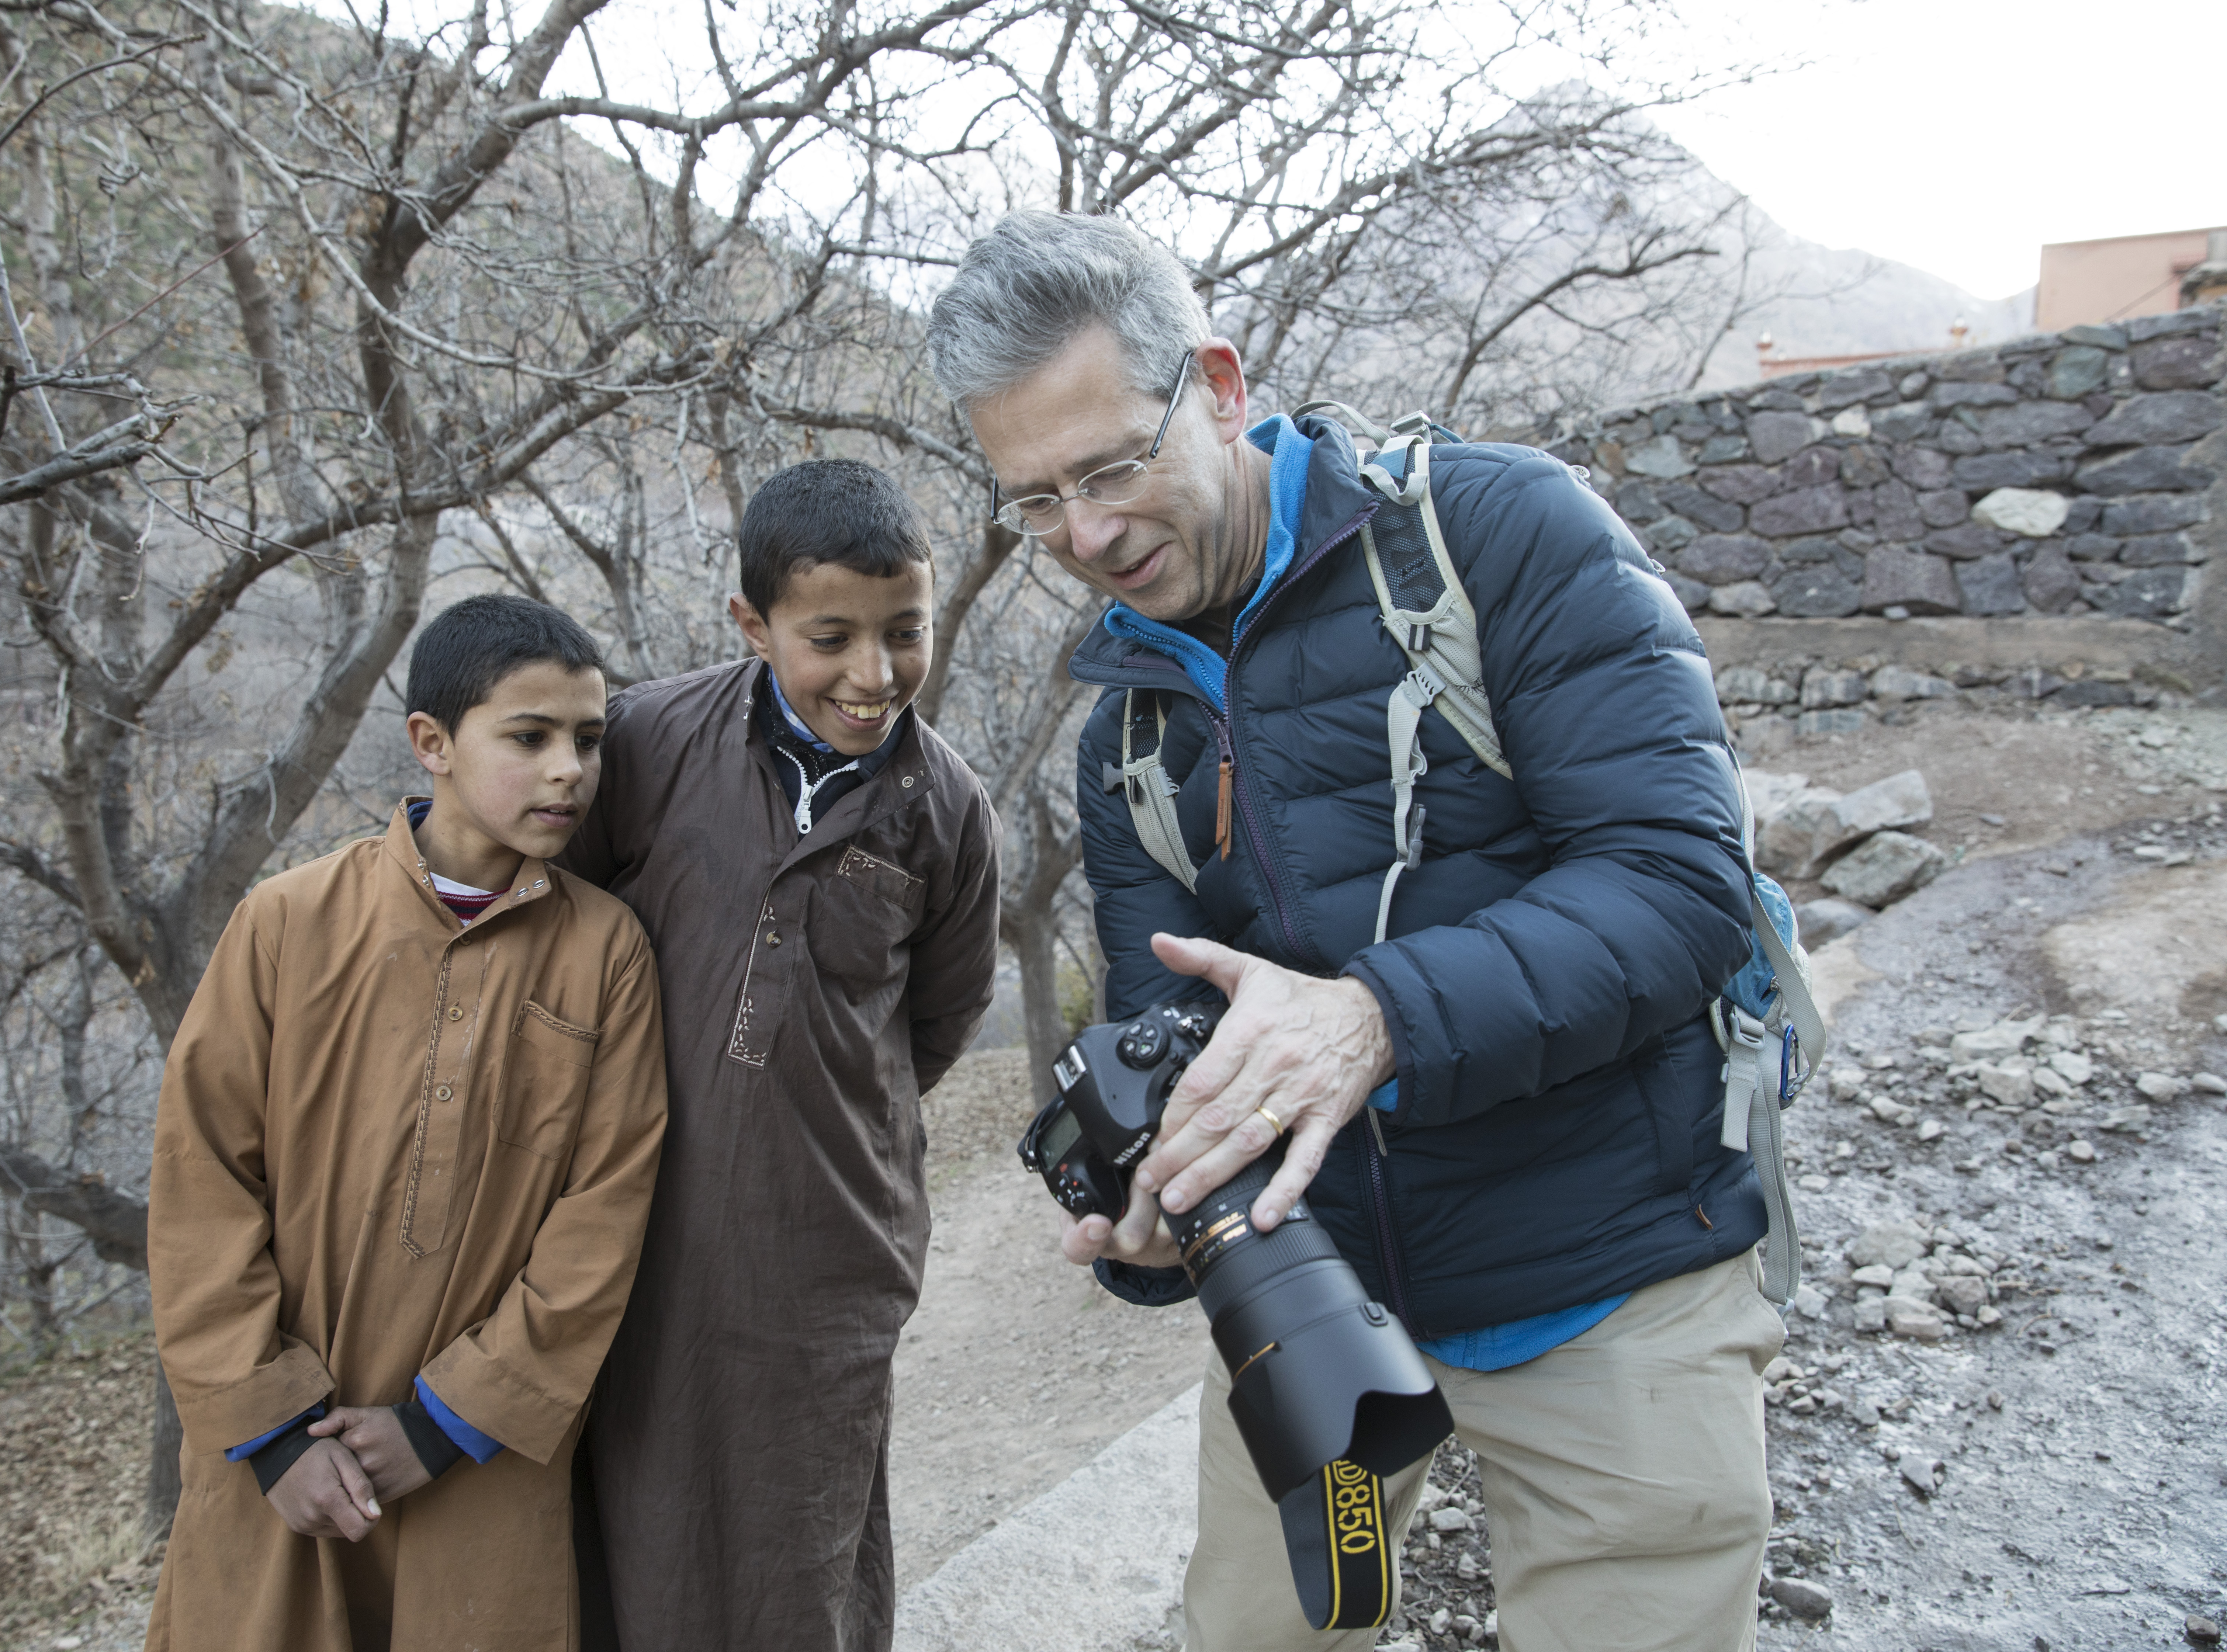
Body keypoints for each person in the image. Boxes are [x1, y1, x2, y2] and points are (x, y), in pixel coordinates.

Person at [927, 211, 1784, 1652]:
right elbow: (1187, 1038)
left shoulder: (1499, 537)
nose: (1084, 535)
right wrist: (1158, 1207)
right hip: (1310, 1307)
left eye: (1112, 468)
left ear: (1219, 383)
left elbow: (1680, 883)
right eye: (1035, 503)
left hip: (1608, 1277)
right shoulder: (1129, 736)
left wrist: (1370, 1018)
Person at [144, 594, 668, 1652]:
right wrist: (277, 1434)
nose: (570, 768)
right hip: (282, 1459)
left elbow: (604, 1213)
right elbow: (200, 1176)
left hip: (475, 1459)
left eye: (587, 740)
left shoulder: (605, 951)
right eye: (529, 737)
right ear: (431, 742)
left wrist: (444, 1422)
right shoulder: (288, 922)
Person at [563, 458, 1002, 1652]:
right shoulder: (650, 744)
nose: (875, 674)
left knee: (801, 1551)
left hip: (825, 1257)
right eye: (831, 638)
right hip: (633, 1235)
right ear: (754, 627)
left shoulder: (946, 810)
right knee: (627, 1531)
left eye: (904, 632)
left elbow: (937, 1021)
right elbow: (556, 934)